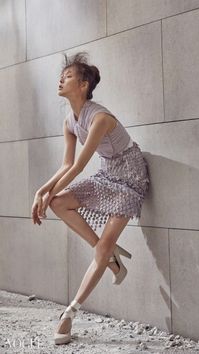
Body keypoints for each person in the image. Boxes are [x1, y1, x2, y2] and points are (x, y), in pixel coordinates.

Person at [31, 51, 150, 345]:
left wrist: (47, 192)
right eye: (62, 76)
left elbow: (80, 166)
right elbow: (66, 164)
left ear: (84, 85)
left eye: (68, 76)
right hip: (107, 173)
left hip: (130, 177)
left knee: (63, 206)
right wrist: (42, 191)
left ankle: (69, 313)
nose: (61, 79)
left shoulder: (99, 117)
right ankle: (109, 256)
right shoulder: (69, 121)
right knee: (59, 202)